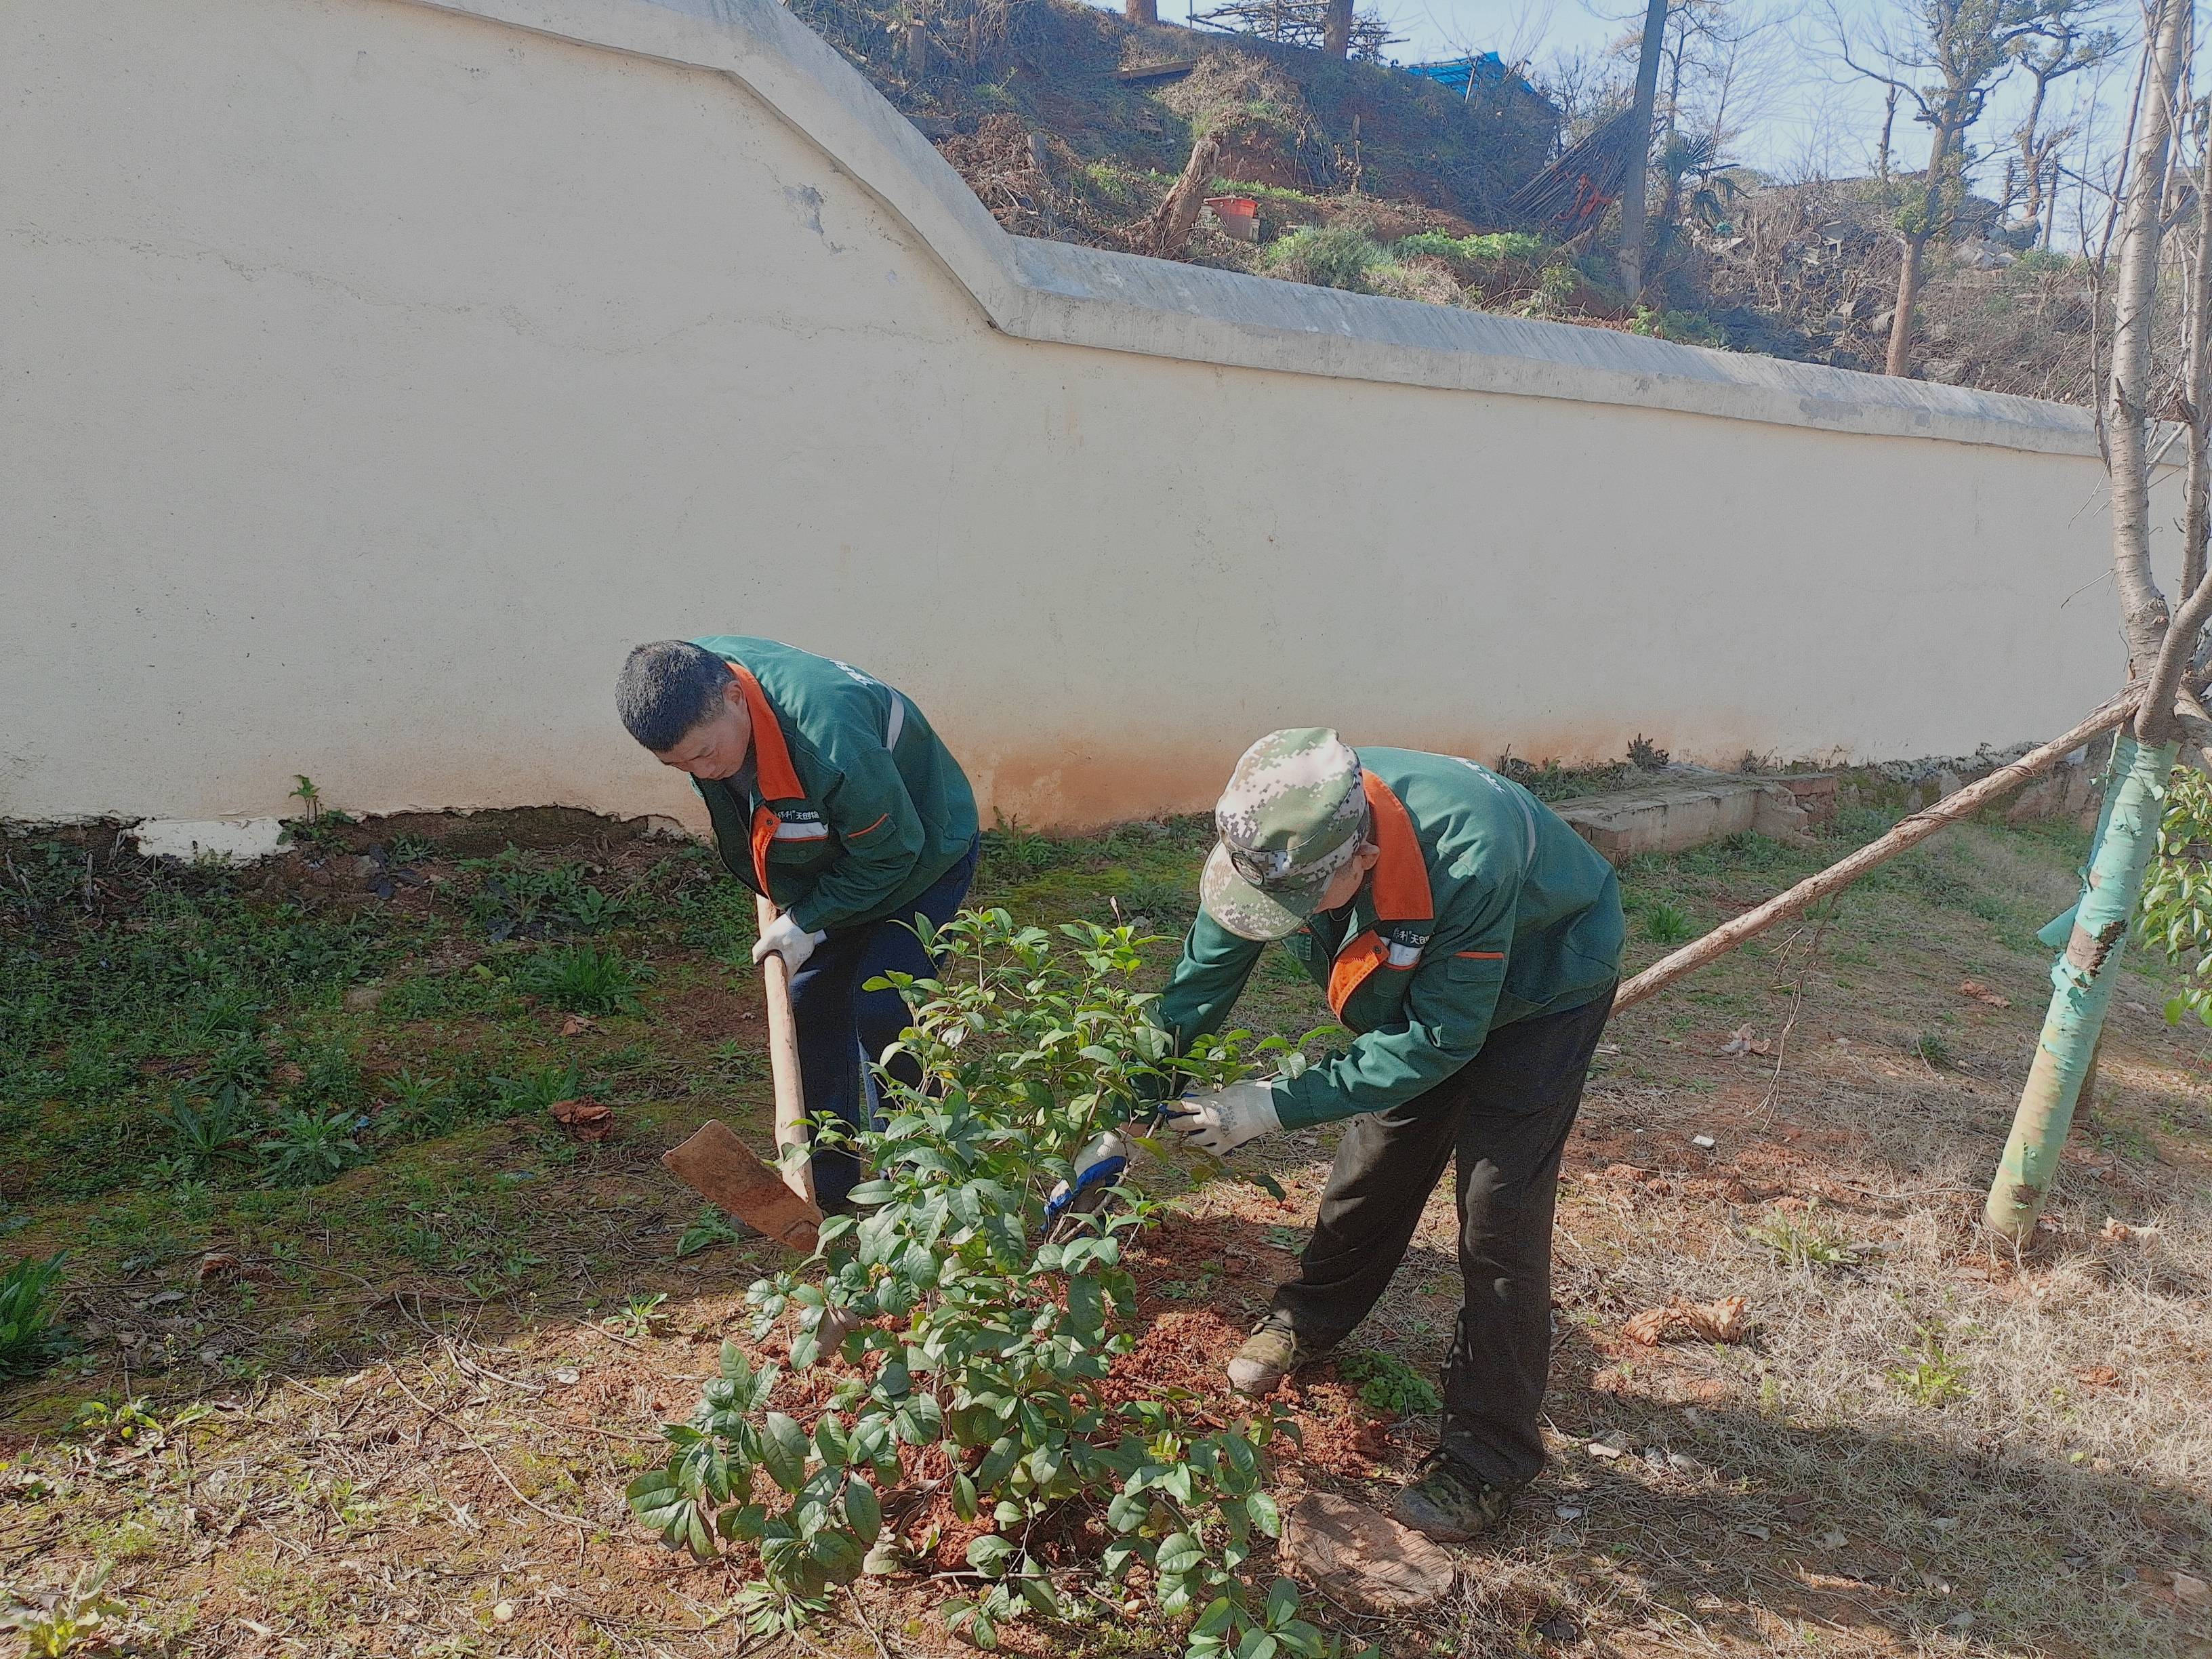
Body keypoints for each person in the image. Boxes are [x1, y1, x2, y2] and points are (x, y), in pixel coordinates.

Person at [1153, 729, 1622, 1542]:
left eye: (1300, 910)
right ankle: (1309, 1318)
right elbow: (1201, 978)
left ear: (1361, 858)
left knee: (1498, 1211)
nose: (1287, 922)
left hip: (1546, 984)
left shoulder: (1467, 852)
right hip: (1431, 986)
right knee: (1377, 1159)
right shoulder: (1280, 831)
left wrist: (1268, 1105)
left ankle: (1486, 1457)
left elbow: (1441, 1041)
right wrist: (1128, 1100)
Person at [615, 637, 979, 1210]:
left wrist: (810, 920)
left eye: (704, 755)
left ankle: (918, 1184)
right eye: (679, 765)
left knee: (887, 1005)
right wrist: (798, 905)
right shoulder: (690, 686)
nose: (700, 772)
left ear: (735, 697)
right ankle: (828, 1199)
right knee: (811, 1012)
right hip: (830, 862)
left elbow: (893, 853)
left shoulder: (830, 739)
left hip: (920, 853)